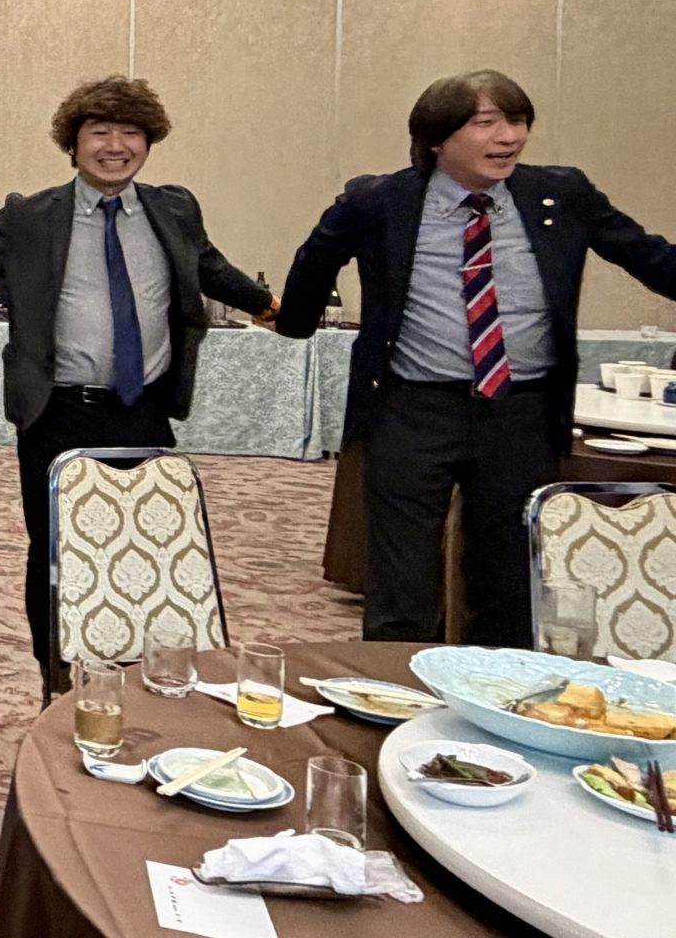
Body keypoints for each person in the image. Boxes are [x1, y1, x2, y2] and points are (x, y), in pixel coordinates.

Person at [0, 76, 274, 688]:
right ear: (73, 143)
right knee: (58, 552)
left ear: (149, 141)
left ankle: (138, 672)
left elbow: (210, 269)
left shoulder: (174, 210)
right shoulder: (29, 217)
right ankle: (55, 676)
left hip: (142, 407)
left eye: (130, 133)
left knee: (147, 543)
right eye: (100, 132)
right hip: (58, 411)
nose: (116, 146)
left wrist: (276, 308)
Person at [276, 69, 676, 645]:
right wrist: (294, 321)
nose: (508, 136)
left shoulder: (562, 194)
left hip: (520, 413)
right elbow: (315, 259)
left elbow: (650, 256)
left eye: (517, 121)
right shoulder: (380, 201)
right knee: (402, 582)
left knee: (507, 576)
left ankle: (497, 689)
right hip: (412, 410)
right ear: (436, 138)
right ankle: (396, 689)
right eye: (486, 123)